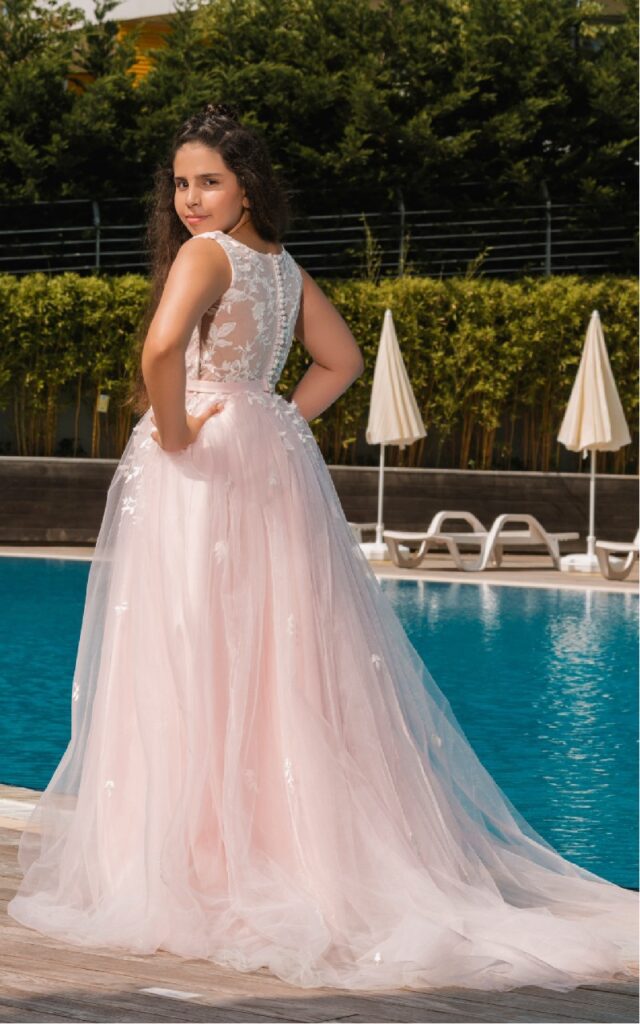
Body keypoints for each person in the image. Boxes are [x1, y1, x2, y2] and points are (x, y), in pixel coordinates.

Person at [7, 104, 638, 994]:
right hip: (267, 460)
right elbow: (340, 362)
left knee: (188, 643)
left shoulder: (206, 256)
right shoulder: (283, 266)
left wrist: (179, 430)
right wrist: (272, 418)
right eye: (181, 183)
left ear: (247, 184)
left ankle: (193, 861)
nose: (191, 200)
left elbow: (161, 349)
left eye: (209, 181)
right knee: (274, 653)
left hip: (203, 467)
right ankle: (263, 847)